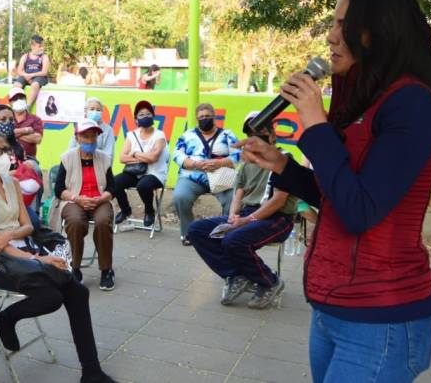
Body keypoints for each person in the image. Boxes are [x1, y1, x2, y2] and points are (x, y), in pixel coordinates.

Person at [237, 0, 431, 383]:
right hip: (332, 307)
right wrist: (282, 166)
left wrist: (314, 123)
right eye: (332, 23)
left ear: (378, 31)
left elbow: (360, 211)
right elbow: (337, 195)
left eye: (343, 24)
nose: (329, 36)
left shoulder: (412, 103)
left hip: (381, 317)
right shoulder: (362, 98)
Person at [0, 132, 116, 383]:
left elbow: (28, 227)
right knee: (51, 297)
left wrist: (14, 237)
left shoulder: (11, 182)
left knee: (78, 292)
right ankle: (7, 317)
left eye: (6, 150)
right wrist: (38, 259)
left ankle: (92, 372)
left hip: (26, 252)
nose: (5, 156)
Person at [188, 113, 296, 310]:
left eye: (261, 133)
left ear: (272, 135)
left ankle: (269, 282)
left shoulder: (285, 160)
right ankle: (236, 275)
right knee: (197, 230)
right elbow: (239, 192)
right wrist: (233, 215)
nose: (256, 138)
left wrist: (246, 221)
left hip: (277, 218)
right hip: (249, 213)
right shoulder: (248, 162)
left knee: (233, 240)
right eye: (251, 133)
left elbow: (278, 200)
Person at [49, 119, 115, 290]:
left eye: (93, 136)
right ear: (77, 138)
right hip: (74, 200)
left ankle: (106, 269)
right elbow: (59, 189)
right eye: (85, 136)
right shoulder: (67, 158)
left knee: (103, 221)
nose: (90, 140)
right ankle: (75, 268)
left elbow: (113, 187)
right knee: (76, 222)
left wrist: (101, 199)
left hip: (99, 200)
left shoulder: (104, 159)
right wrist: (77, 198)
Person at [172, 103, 241, 245]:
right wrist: (194, 164)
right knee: (180, 196)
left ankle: (226, 233)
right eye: (201, 117)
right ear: (197, 119)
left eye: (208, 116)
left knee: (233, 199)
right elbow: (177, 154)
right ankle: (188, 233)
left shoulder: (227, 134)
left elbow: (239, 155)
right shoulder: (188, 135)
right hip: (192, 177)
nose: (204, 119)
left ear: (214, 117)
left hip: (221, 178)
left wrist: (219, 163)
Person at [111, 100, 168, 227]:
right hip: (135, 172)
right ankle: (125, 210)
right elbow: (122, 158)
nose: (145, 117)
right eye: (141, 115)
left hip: (155, 174)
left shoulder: (159, 135)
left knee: (144, 185)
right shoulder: (131, 135)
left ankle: (149, 211)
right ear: (136, 119)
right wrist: (143, 157)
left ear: (153, 116)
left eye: (148, 114)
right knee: (115, 182)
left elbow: (153, 158)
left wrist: (135, 153)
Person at [0, 104, 43, 218]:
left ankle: (33, 212)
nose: (8, 123)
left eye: (11, 120)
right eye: (3, 120)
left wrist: (25, 168)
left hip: (18, 196)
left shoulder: (17, 146)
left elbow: (23, 171)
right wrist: (10, 175)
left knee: (34, 223)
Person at [13, 34, 51, 107]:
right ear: (33, 46)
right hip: (26, 75)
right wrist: (26, 75)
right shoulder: (25, 56)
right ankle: (16, 105)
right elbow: (19, 71)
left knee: (35, 84)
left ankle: (28, 106)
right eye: (40, 46)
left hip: (39, 77)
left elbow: (44, 72)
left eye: (43, 46)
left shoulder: (44, 57)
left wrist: (31, 75)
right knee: (16, 85)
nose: (42, 48)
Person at [9, 88, 43, 162]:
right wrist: (26, 131)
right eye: (15, 99)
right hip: (8, 158)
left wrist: (12, 133)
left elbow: (37, 139)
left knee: (35, 170)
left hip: (29, 158)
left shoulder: (35, 119)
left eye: (21, 98)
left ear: (25, 100)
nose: (19, 101)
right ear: (10, 103)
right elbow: (1, 135)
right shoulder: (7, 118)